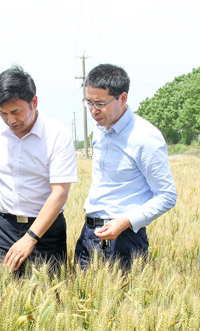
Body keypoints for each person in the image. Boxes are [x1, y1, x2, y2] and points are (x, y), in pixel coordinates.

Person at [74, 64, 177, 271]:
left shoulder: (145, 137)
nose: (93, 110)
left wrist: (125, 222)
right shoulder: (100, 128)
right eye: (89, 102)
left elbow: (167, 196)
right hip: (90, 232)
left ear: (122, 98)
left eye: (100, 103)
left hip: (123, 237)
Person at [0, 65, 78, 275]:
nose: (10, 120)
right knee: (1, 290)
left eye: (16, 112)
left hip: (45, 230)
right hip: (3, 227)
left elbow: (59, 193)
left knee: (47, 291)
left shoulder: (57, 135)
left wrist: (31, 237)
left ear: (34, 102)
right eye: (3, 113)